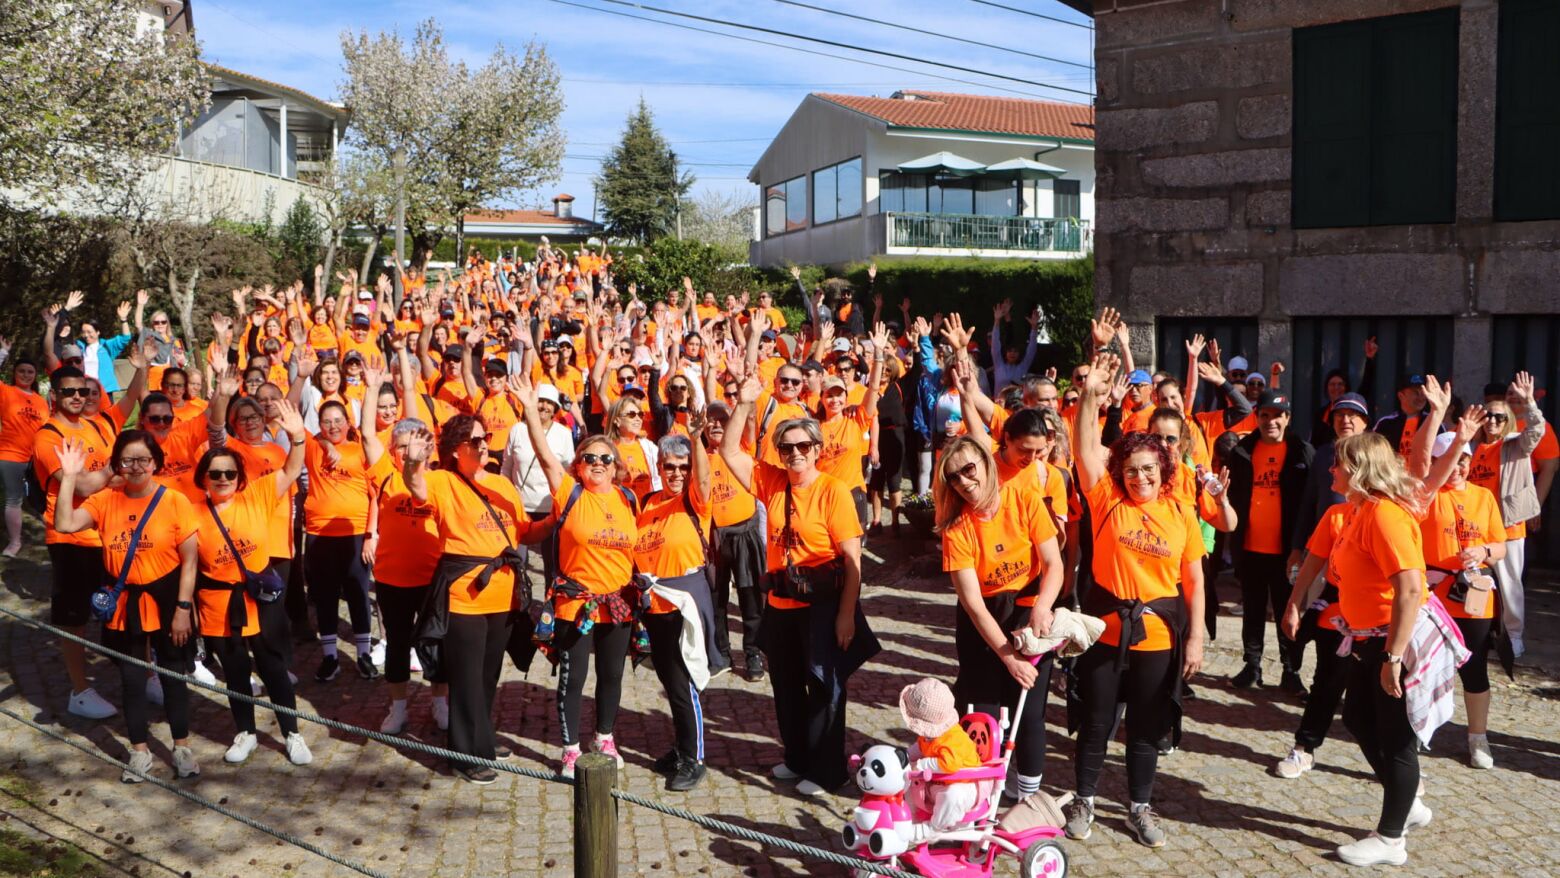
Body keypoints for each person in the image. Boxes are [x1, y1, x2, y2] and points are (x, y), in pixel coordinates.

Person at [1065, 352, 1206, 848]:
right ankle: (1084, 800)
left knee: (1145, 728)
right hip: (1106, 631)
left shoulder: (1181, 513)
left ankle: (1139, 808)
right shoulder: (1106, 499)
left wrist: (1196, 639)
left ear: (1163, 469)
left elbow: (1194, 580)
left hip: (1159, 637)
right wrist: (1091, 396)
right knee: (1097, 722)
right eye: (1130, 470)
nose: (1139, 477)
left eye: (1148, 469)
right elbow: (1084, 448)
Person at [719, 376, 877, 797]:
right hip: (781, 602)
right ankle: (797, 758)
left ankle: (828, 771)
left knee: (824, 688)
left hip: (822, 605)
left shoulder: (833, 491)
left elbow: (853, 560)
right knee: (786, 686)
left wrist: (846, 615)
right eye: (786, 448)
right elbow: (729, 451)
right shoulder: (772, 482)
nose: (794, 454)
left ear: (817, 449)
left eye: (803, 446)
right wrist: (744, 403)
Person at [402, 412, 550, 784]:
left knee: (487, 675)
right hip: (464, 596)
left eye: (486, 439)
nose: (484, 445)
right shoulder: (442, 481)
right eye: (476, 440)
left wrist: (555, 520)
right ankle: (464, 754)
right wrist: (413, 460)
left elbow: (524, 532)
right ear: (456, 449)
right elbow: (415, 485)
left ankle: (480, 738)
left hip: (503, 596)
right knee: (466, 678)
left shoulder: (502, 484)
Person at [53, 430, 199, 782]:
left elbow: (190, 561)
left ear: (155, 463)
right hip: (125, 602)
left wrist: (183, 608)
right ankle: (139, 751)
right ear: (117, 464)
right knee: (132, 678)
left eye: (143, 460)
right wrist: (69, 478)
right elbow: (64, 523)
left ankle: (181, 746)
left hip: (167, 599)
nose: (136, 467)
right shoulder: (106, 500)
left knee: (173, 675)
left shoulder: (175, 501)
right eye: (128, 460)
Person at [516, 382, 640, 778]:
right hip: (576, 603)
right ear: (578, 465)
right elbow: (543, 453)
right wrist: (530, 410)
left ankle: (604, 737)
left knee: (612, 676)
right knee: (574, 679)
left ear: (616, 466)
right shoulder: (569, 492)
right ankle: (570, 750)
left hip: (618, 604)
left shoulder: (628, 499)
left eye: (606, 458)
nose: (598, 463)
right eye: (590, 458)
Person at [1326, 432, 1435, 867]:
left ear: (1358, 470)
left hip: (1391, 641)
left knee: (1397, 740)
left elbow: (1410, 588)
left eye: (1337, 463)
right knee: (1356, 717)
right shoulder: (1361, 511)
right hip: (1366, 637)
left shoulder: (1385, 515)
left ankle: (1391, 839)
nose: (1331, 469)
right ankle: (1408, 804)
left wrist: (1393, 657)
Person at [934, 436, 1063, 800]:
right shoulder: (957, 527)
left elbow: (1053, 563)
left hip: (1028, 611)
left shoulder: (1024, 499)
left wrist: (1042, 606)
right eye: (954, 477)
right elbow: (973, 604)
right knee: (984, 712)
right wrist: (1008, 657)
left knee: (1029, 712)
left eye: (968, 469)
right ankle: (983, 793)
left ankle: (1030, 798)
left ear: (986, 464)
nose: (964, 482)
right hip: (983, 623)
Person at [191, 402, 313, 767]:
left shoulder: (257, 495)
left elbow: (291, 470)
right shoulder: (192, 513)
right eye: (215, 473)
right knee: (235, 672)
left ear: (239, 477)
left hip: (259, 598)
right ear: (204, 478)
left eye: (229, 473)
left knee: (273, 668)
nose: (223, 478)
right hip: (218, 602)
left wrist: (297, 437)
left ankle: (292, 733)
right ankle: (245, 732)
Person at [32, 346, 147, 720]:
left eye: (82, 391)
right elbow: (80, 485)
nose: (78, 397)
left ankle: (144, 675)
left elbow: (130, 399)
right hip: (71, 538)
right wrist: (112, 471)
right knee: (74, 617)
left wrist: (141, 368)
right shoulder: (48, 437)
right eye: (69, 391)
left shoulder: (98, 424)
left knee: (126, 604)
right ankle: (79, 690)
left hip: (110, 532)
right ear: (54, 395)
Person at [361, 367, 452, 734]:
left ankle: (440, 702)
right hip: (392, 578)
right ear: (393, 450)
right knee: (397, 644)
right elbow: (367, 434)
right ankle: (397, 708)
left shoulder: (439, 480)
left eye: (414, 445)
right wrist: (371, 389)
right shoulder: (385, 474)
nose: (408, 451)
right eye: (401, 446)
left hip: (431, 578)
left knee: (437, 643)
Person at [634, 427, 725, 792]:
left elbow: (703, 478)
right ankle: (681, 746)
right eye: (669, 466)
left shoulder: (695, 499)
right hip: (654, 606)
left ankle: (694, 758)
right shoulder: (648, 503)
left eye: (682, 467)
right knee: (670, 680)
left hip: (684, 602)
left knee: (684, 681)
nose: (676, 473)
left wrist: (698, 439)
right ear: (659, 467)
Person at [1225, 391, 1315, 695]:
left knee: (1287, 611)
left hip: (1287, 551)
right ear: (1257, 417)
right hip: (1250, 547)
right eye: (1264, 415)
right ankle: (1252, 666)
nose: (1271, 422)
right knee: (1252, 611)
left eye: (1277, 416)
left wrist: (1303, 547)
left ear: (1287, 418)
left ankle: (1291, 671)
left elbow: (1310, 502)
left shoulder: (1302, 452)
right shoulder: (1243, 451)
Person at [1469, 373, 1546, 657]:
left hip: (1508, 527)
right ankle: (1480, 632)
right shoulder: (1473, 448)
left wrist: (1529, 403)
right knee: (1476, 581)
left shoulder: (1514, 445)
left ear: (1507, 421)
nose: (1492, 421)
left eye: (1499, 418)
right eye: (1488, 416)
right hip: (1477, 528)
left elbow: (1536, 431)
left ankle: (1514, 636)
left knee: (1510, 583)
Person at [303, 399, 377, 682]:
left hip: (356, 534)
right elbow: (296, 427)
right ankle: (330, 657)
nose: (333, 426)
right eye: (327, 421)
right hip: (320, 535)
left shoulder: (361, 451)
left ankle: (363, 655)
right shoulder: (313, 448)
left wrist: (371, 535)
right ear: (319, 425)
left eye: (338, 420)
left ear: (348, 422)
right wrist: (324, 444)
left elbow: (375, 497)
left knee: (358, 594)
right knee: (325, 596)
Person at [500, 382, 575, 591]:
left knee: (552, 563)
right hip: (520, 506)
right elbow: (506, 467)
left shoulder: (564, 433)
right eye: (540, 401)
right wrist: (507, 496)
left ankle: (549, 604)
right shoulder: (517, 429)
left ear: (556, 408)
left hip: (551, 507)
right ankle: (518, 601)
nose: (544, 406)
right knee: (517, 561)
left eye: (549, 403)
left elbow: (568, 471)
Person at [0, 351, 46, 556]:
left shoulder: (41, 401)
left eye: (30, 372)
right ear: (14, 373)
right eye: (22, 371)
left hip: (36, 457)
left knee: (43, 497)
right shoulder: (6, 392)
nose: (26, 375)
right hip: (10, 455)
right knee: (14, 499)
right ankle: (15, 543)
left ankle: (55, 534)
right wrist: (3, 353)